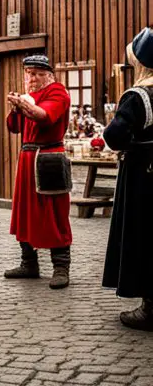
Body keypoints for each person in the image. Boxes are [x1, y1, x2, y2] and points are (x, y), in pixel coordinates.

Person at [5, 54, 72, 289]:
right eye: (28, 73)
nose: (30, 78)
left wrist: (23, 104)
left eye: (36, 73)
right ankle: (29, 263)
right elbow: (14, 127)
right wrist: (16, 108)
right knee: (23, 211)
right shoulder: (29, 97)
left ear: (48, 75)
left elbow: (44, 117)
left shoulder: (58, 92)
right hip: (27, 157)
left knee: (54, 212)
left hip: (49, 157)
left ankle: (61, 267)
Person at [102, 27, 153, 331]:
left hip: (143, 174)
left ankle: (150, 308)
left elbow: (115, 135)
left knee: (143, 233)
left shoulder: (138, 95)